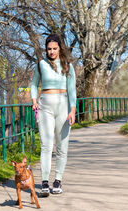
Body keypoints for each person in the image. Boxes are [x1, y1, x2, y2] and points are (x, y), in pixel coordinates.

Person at [30, 34, 76, 196]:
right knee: (46, 145)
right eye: (49, 49)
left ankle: (57, 180)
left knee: (62, 146)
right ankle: (44, 182)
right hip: (45, 106)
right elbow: (34, 85)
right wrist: (34, 101)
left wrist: (73, 110)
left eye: (54, 48)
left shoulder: (67, 66)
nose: (51, 52)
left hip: (63, 106)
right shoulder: (41, 64)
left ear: (60, 48)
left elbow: (72, 90)